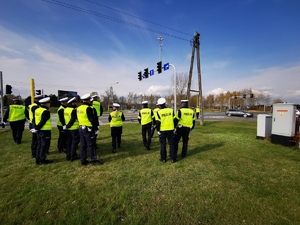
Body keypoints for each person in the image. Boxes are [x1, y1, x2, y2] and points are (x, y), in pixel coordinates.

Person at [77, 94, 103, 166]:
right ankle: (93, 160)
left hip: (81, 128)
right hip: (88, 129)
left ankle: (83, 160)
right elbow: (92, 119)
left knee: (83, 145)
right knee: (91, 144)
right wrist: (95, 128)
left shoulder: (79, 108)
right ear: (88, 100)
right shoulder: (89, 108)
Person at [31, 96, 53, 165]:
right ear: (46, 104)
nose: (50, 104)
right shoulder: (46, 112)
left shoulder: (37, 110)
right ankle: (42, 159)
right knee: (44, 145)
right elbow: (42, 122)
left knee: (39, 144)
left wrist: (35, 128)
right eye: (49, 103)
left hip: (39, 131)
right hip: (45, 130)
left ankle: (38, 159)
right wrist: (37, 128)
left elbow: (34, 120)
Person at [156, 98, 177, 163]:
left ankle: (163, 158)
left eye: (158, 105)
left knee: (163, 144)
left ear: (160, 105)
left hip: (162, 130)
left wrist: (158, 130)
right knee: (172, 144)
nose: (158, 106)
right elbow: (175, 120)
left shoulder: (158, 112)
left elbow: (158, 122)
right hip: (170, 129)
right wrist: (174, 127)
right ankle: (173, 158)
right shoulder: (171, 110)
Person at [64, 96, 80, 161]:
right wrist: (69, 125)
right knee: (74, 143)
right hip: (74, 128)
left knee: (69, 142)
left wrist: (67, 126)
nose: (76, 104)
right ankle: (73, 156)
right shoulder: (73, 110)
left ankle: (68, 155)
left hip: (68, 129)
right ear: (72, 103)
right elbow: (73, 119)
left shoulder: (66, 109)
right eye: (75, 103)